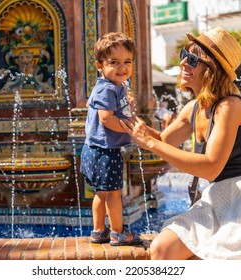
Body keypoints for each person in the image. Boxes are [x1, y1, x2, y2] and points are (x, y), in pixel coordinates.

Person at [120, 26, 241, 259]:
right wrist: (123, 112)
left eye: (193, 59)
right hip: (219, 197)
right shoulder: (193, 108)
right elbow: (163, 141)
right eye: (184, 56)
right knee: (161, 248)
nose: (184, 63)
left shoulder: (230, 106)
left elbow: (210, 167)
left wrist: (152, 143)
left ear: (212, 69)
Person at [80, 32, 142, 246]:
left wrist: (128, 107)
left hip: (93, 149)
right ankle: (118, 232)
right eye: (114, 62)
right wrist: (129, 129)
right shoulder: (108, 88)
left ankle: (98, 230)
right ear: (100, 65)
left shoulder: (113, 86)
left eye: (127, 62)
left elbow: (115, 111)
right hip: (105, 151)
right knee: (114, 193)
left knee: (101, 193)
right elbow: (106, 119)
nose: (121, 67)